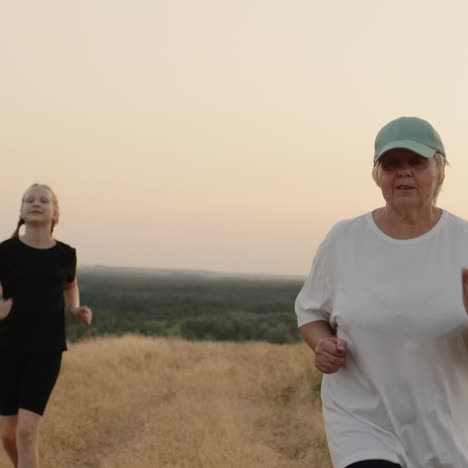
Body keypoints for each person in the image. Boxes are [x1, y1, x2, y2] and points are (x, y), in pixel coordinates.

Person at [295, 116, 468, 468]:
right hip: (361, 422)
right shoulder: (344, 241)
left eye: (416, 162)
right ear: (378, 176)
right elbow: (311, 313)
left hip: (445, 427)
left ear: (439, 170)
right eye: (391, 164)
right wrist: (323, 344)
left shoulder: (463, 243)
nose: (403, 173)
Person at [0, 183, 92, 468]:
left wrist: (75, 306)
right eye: (29, 200)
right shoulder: (4, 251)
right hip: (6, 348)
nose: (36, 203)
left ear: (55, 213)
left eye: (43, 200)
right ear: (22, 211)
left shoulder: (66, 254)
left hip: (46, 349)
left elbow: (70, 284)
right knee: (8, 434)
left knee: (27, 432)